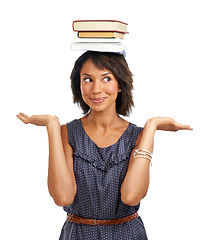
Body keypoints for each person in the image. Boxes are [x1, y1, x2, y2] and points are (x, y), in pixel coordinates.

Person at [16, 51, 193, 239]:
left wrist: (152, 126)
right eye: (87, 79)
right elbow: (62, 197)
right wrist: (52, 126)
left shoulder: (139, 135)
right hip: (78, 234)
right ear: (79, 85)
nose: (96, 89)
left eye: (106, 79)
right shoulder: (66, 133)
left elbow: (131, 196)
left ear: (120, 84)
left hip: (127, 234)